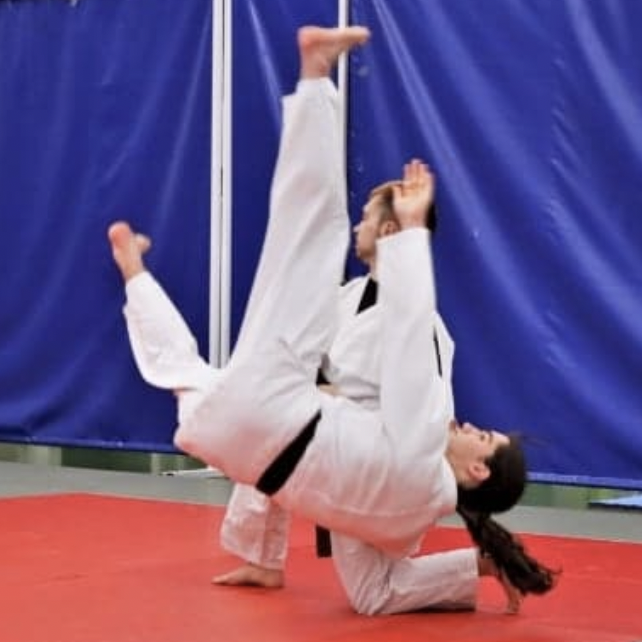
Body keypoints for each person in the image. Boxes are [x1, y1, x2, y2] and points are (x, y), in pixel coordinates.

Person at [108, 25, 556, 615]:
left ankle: (316, 78)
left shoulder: (424, 410)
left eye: (483, 436)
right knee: (189, 374)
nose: (474, 424)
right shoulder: (409, 506)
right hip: (258, 441)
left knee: (308, 235)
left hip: (292, 427)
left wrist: (412, 234)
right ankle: (135, 273)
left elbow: (409, 346)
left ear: (476, 467)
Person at [213, 175, 454, 590]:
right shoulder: (348, 296)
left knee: (374, 595)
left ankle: (477, 564)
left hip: (381, 467)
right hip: (336, 446)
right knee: (271, 418)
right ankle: (262, 558)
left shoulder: (420, 324)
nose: (357, 227)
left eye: (365, 218)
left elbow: (428, 416)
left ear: (388, 231)